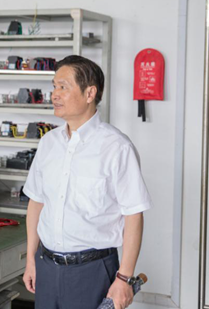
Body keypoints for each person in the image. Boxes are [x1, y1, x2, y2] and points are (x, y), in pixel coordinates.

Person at [22, 55, 151, 309]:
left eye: (63, 87)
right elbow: (36, 203)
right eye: (54, 86)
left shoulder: (116, 147)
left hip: (92, 271)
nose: (54, 94)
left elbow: (134, 214)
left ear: (90, 93)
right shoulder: (48, 143)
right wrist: (30, 260)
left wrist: (124, 279)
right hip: (46, 267)